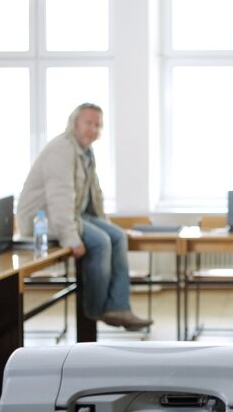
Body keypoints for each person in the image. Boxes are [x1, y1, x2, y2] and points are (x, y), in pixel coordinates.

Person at [17, 103, 152, 331]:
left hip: (73, 215)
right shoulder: (61, 150)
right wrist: (70, 237)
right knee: (100, 242)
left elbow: (94, 196)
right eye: (88, 123)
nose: (93, 129)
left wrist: (107, 225)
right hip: (45, 219)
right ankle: (95, 310)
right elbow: (60, 198)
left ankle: (119, 308)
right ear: (74, 123)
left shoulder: (86, 152)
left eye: (98, 125)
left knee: (118, 236)